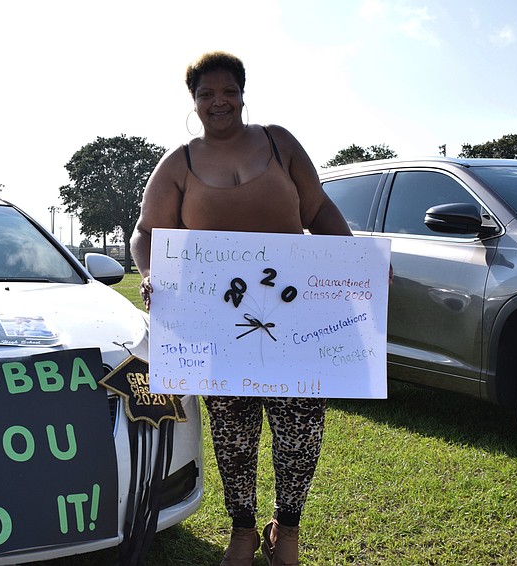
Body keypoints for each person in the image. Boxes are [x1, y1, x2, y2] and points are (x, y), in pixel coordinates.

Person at [129, 51, 353, 566]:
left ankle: (288, 529)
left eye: (227, 91)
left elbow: (317, 210)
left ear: (243, 94)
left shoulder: (278, 142)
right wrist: (150, 274)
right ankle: (244, 530)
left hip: (294, 316)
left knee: (300, 426)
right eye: (206, 94)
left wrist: (356, 261)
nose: (218, 102)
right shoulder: (178, 162)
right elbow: (147, 233)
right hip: (215, 323)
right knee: (233, 431)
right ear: (194, 102)